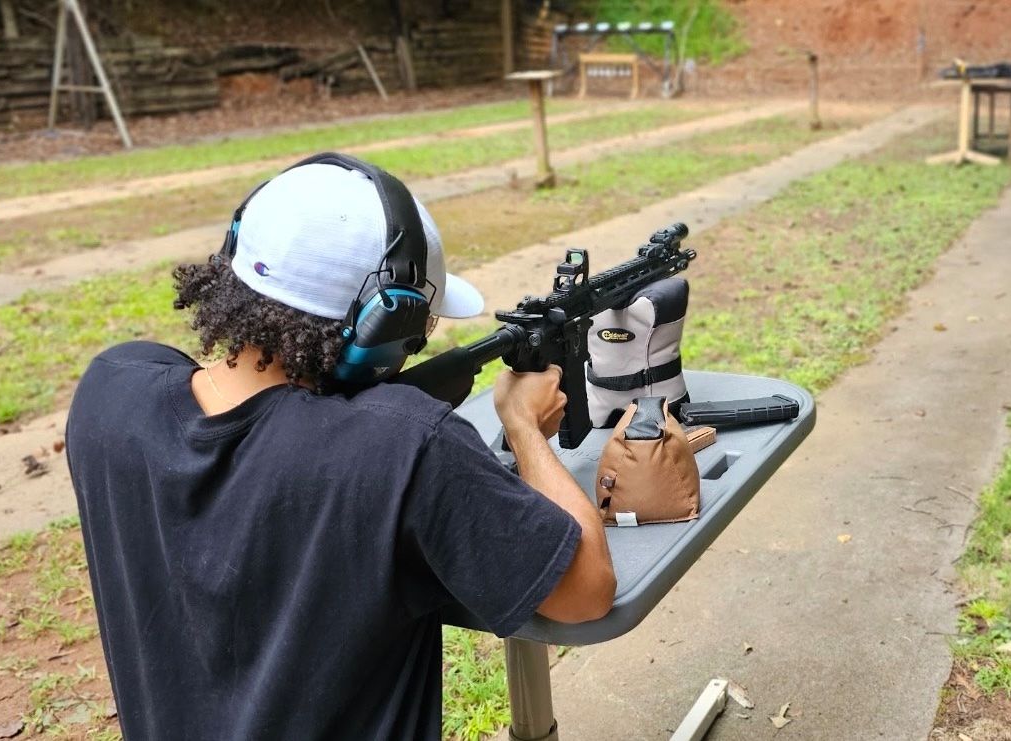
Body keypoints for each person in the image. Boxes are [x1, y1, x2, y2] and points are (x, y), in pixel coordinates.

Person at [65, 154, 616, 741]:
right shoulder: (403, 445)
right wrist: (523, 425)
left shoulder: (110, 392)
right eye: (419, 330)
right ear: (382, 332)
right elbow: (585, 592)